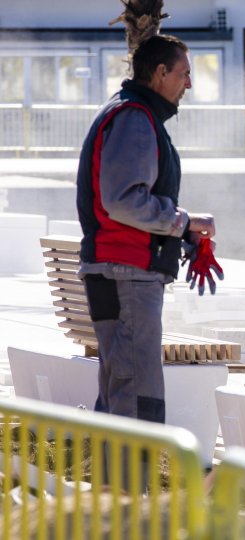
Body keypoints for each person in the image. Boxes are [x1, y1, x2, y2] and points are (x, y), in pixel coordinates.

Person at [76, 34, 216, 425]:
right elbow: (123, 201)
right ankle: (131, 485)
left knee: (123, 393)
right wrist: (182, 222)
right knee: (138, 400)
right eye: (184, 74)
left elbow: (125, 202)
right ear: (160, 72)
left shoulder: (128, 113)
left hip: (117, 271)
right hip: (127, 275)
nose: (189, 84)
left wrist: (181, 231)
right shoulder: (135, 118)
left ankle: (115, 484)